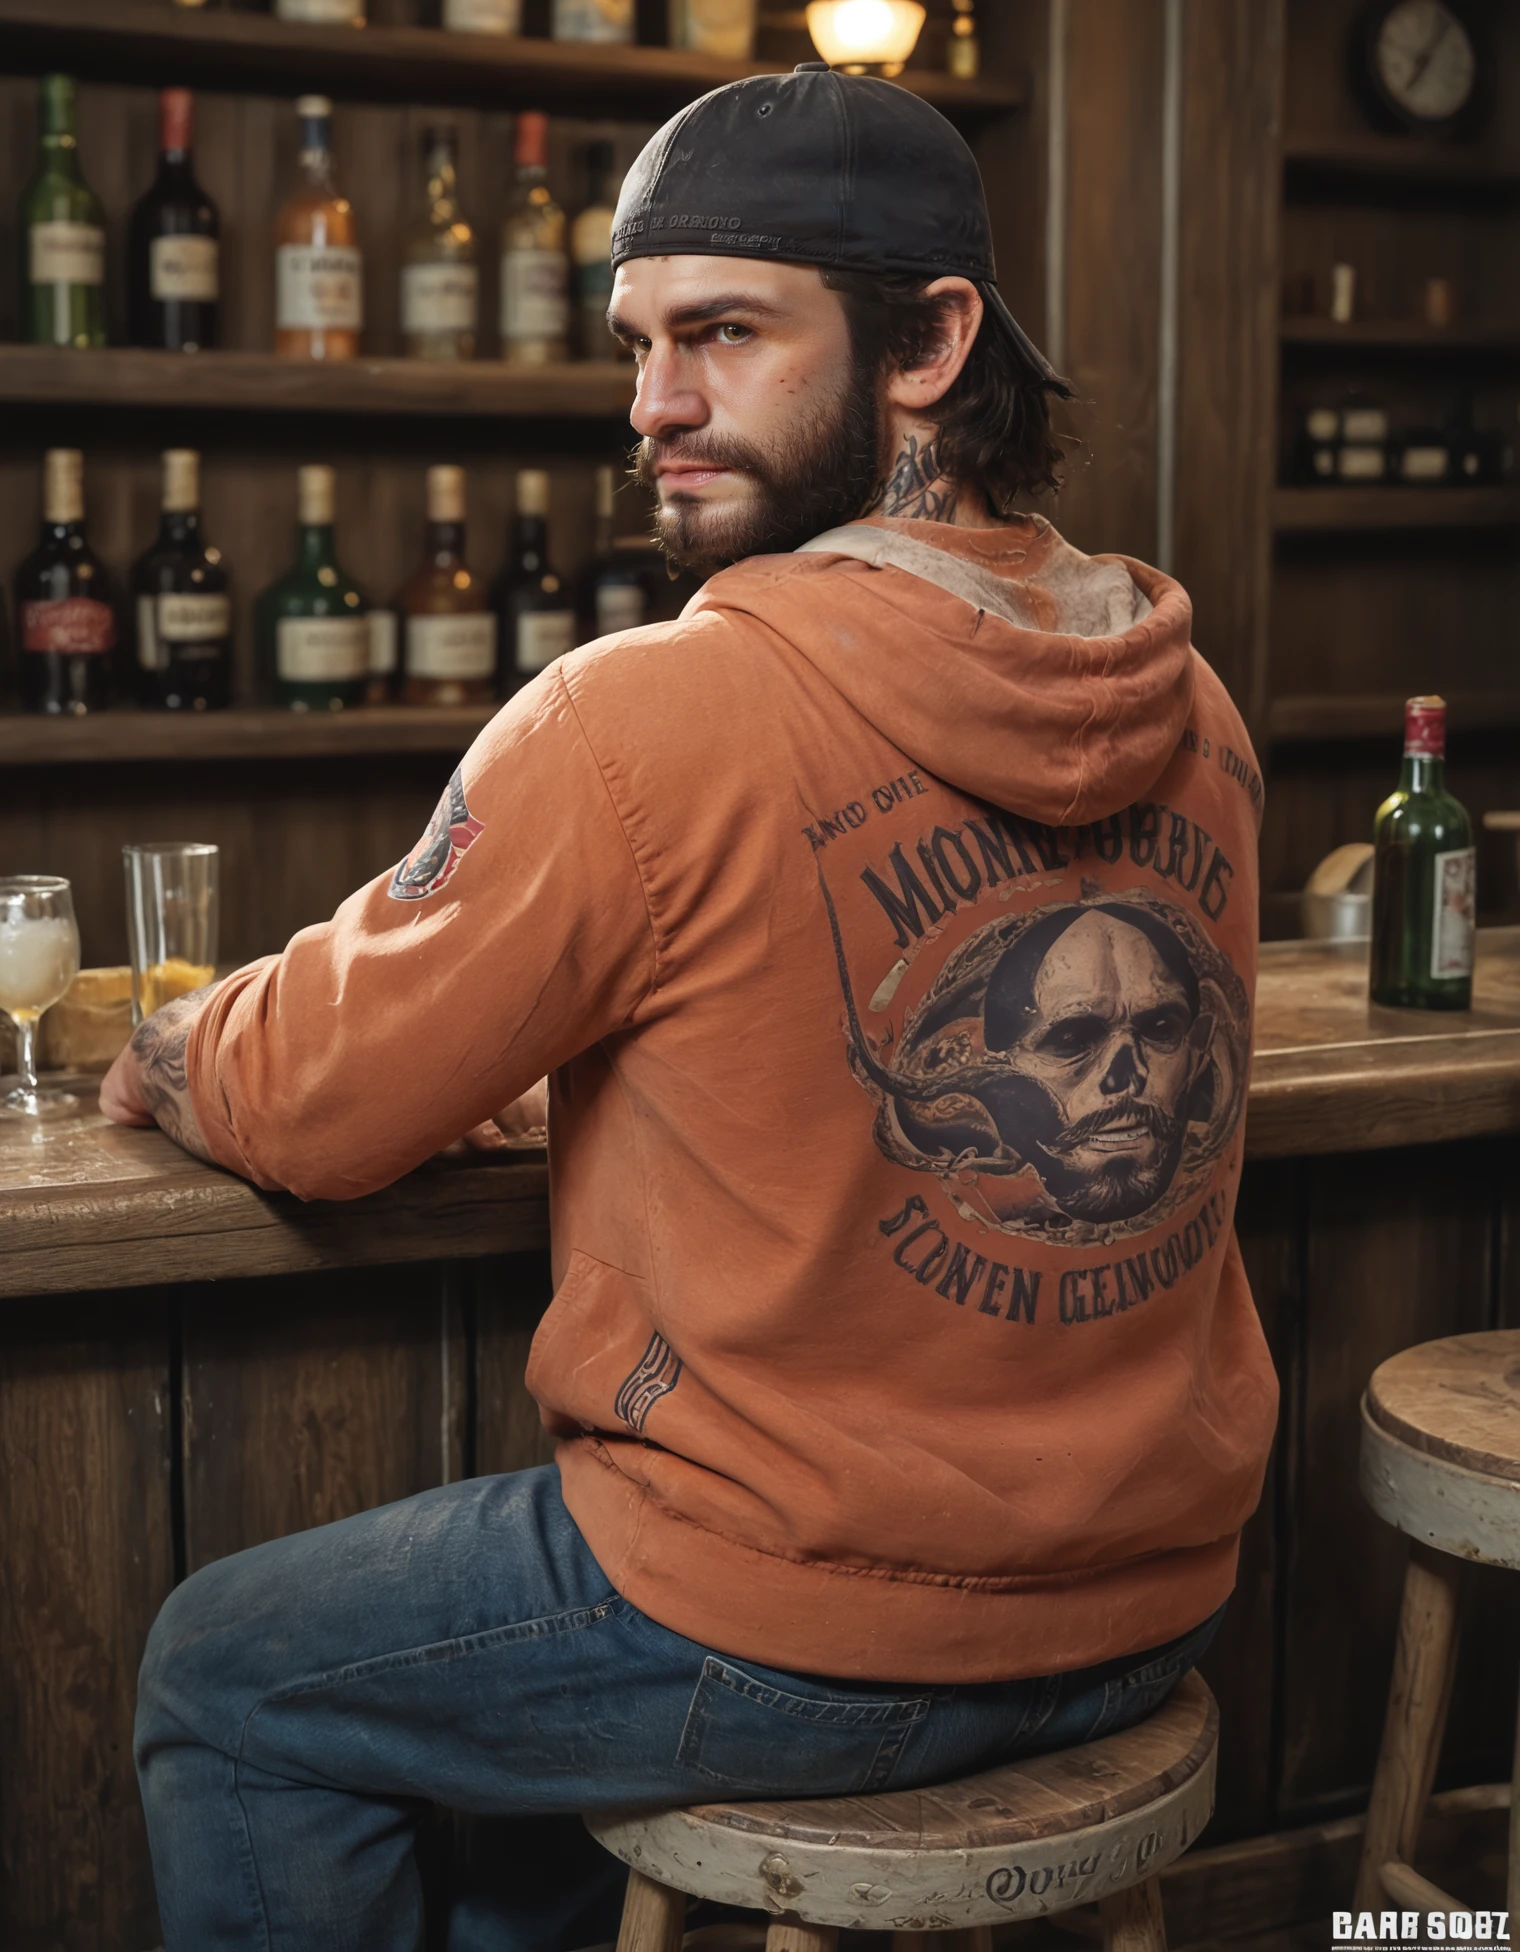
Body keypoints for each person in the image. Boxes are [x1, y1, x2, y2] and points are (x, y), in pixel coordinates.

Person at [102, 64, 1278, 1952]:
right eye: (640, 341)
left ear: (929, 340)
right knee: (505, 1811)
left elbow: (316, 1106)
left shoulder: (643, 716)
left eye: (722, 334)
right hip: (1162, 1594)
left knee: (224, 1674)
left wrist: (169, 1049)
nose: (651, 405)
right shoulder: (1194, 702)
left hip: (807, 1628)